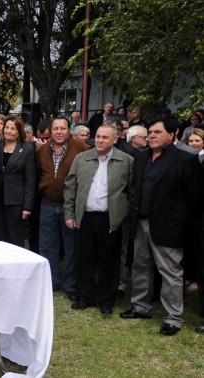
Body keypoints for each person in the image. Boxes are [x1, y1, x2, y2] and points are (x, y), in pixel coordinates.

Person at [119, 118, 204, 336]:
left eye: (158, 132)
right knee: (139, 267)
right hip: (141, 222)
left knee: (170, 272)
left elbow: (194, 198)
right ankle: (141, 307)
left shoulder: (186, 160)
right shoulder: (141, 157)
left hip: (169, 226)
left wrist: (180, 222)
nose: (152, 135)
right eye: (150, 132)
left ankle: (173, 318)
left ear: (172, 134)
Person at [64, 124, 134, 315]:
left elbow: (131, 191)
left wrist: (123, 214)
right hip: (85, 217)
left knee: (109, 262)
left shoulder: (126, 161)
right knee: (84, 259)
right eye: (98, 136)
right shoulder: (82, 158)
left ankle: (106, 301)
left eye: (105, 137)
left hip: (110, 219)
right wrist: (70, 214)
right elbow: (70, 187)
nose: (100, 140)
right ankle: (86, 297)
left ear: (115, 139)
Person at [36, 116, 89, 301]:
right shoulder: (41, 150)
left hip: (70, 208)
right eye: (55, 128)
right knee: (47, 247)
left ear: (69, 130)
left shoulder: (82, 149)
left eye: (63, 128)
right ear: (51, 131)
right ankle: (50, 282)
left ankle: (70, 285)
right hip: (47, 205)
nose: (59, 132)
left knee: (71, 248)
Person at [0, 114, 35, 246]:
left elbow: (30, 180)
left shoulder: (27, 149)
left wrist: (27, 207)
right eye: (6, 127)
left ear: (19, 132)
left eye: (13, 128)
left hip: (16, 202)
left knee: (14, 238)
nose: (8, 131)